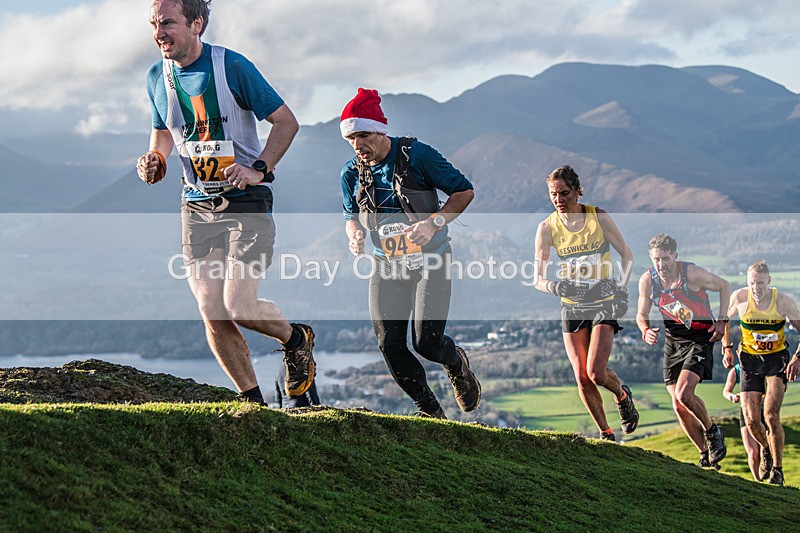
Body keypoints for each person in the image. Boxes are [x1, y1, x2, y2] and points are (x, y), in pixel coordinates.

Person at [137, 0, 315, 405]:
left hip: (245, 199)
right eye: (154, 24)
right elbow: (163, 132)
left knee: (240, 306)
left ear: (197, 23)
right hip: (196, 203)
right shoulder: (155, 77)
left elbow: (287, 122)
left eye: (168, 23)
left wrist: (260, 168)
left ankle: (296, 338)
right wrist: (155, 158)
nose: (158, 33)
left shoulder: (232, 67)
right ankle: (253, 403)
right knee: (212, 310)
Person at [339, 88, 481, 419]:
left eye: (362, 135)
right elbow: (349, 215)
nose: (357, 145)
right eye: (350, 139)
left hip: (431, 261)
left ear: (379, 129)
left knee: (426, 343)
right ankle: (431, 413)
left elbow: (464, 191)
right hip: (386, 265)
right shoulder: (351, 172)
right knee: (390, 345)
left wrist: (433, 223)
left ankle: (456, 362)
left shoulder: (418, 155)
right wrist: (355, 234)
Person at [533, 166, 638, 442]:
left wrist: (621, 290)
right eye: (553, 194)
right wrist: (555, 286)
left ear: (578, 191)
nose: (559, 199)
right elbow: (538, 278)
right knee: (581, 377)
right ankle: (606, 434)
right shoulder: (546, 228)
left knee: (596, 372)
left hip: (604, 300)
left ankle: (622, 396)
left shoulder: (598, 217)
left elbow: (627, 256)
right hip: (572, 304)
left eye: (564, 193)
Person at [636, 233, 730, 468]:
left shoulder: (691, 274)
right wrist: (645, 329)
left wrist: (722, 320)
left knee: (684, 394)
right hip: (673, 340)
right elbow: (641, 314)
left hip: (700, 338)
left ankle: (712, 431)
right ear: (650, 258)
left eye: (666, 259)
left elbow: (724, 286)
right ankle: (705, 456)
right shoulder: (647, 280)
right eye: (656, 259)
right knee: (678, 404)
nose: (661, 264)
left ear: (675, 257)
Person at [722, 260, 800, 486]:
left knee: (770, 415)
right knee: (751, 419)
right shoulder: (739, 297)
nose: (756, 288)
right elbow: (724, 320)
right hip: (749, 359)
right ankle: (766, 449)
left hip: (777, 360)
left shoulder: (783, 301)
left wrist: (797, 358)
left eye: (760, 283)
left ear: (769, 282)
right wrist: (727, 347)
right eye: (752, 283)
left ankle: (777, 470)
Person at [722, 362, 762, 480]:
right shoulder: (736, 370)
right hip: (745, 411)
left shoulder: (763, 365)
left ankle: (770, 476)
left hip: (763, 412)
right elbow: (726, 391)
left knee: (764, 450)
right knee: (753, 451)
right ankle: (757, 480)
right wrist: (733, 397)